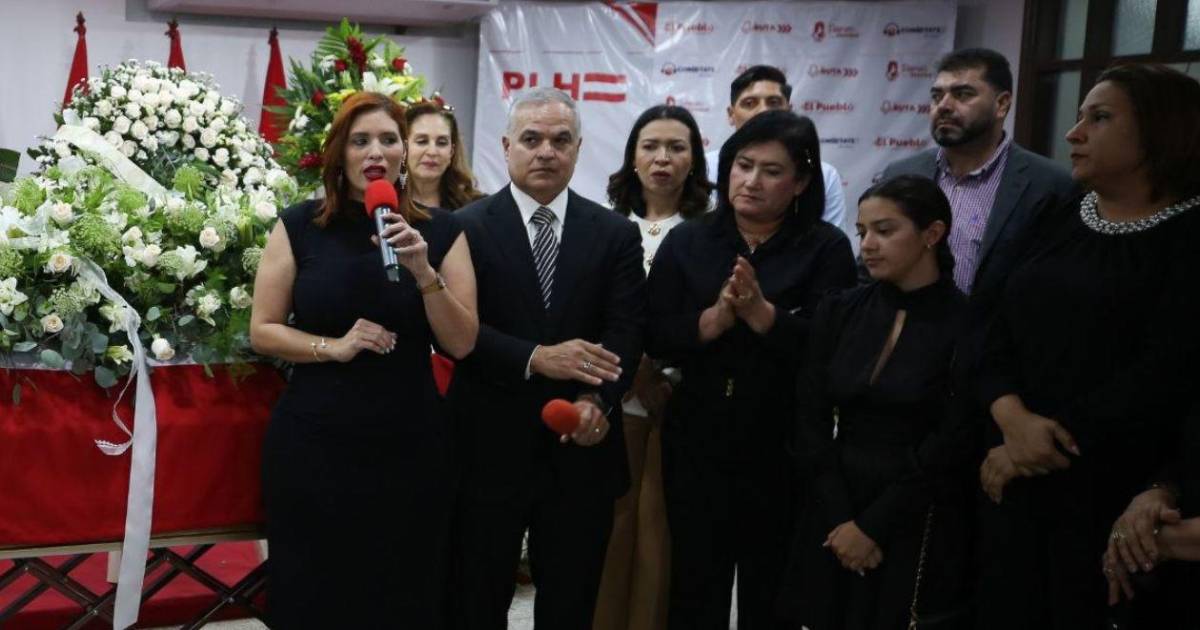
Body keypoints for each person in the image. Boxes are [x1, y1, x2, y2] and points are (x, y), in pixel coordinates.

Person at [974, 64, 1200, 629]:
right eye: (1078, 117)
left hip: (1118, 491)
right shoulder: (1058, 213)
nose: (1074, 134)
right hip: (1011, 474)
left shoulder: (1188, 239)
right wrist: (1010, 415)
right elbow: (990, 321)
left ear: (1160, 131)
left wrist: (1041, 442)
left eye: (1098, 118)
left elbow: (1166, 371)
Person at [251, 91, 478, 628]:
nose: (375, 151)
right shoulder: (299, 225)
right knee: (315, 596)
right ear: (340, 153)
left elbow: (462, 342)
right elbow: (262, 330)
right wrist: (333, 347)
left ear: (404, 152)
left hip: (410, 442)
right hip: (316, 442)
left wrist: (424, 273)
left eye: (388, 139)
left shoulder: (442, 231)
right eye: (360, 141)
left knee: (401, 593)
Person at [647, 110, 857, 629]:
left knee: (773, 591)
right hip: (697, 439)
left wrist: (766, 318)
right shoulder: (690, 240)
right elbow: (652, 331)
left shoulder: (826, 248)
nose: (752, 181)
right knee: (695, 587)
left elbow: (837, 348)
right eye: (743, 165)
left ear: (801, 182)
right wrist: (710, 322)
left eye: (771, 171)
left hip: (782, 443)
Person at [449, 86, 646, 629]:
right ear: (507, 146)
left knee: (570, 605)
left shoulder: (615, 233)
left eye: (561, 141)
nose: (546, 152)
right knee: (475, 602)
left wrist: (597, 402)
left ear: (578, 149)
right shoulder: (464, 228)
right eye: (531, 139)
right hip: (487, 444)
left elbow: (626, 331)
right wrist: (536, 357)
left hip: (580, 450)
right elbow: (457, 332)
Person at [781, 175, 972, 630]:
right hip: (834, 500)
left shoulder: (967, 323)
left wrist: (871, 526)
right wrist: (841, 517)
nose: (867, 245)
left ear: (932, 233)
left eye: (885, 231)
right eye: (862, 231)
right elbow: (809, 418)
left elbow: (954, 437)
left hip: (916, 510)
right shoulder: (840, 309)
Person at [594, 104, 711, 630]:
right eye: (651, 146)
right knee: (612, 527)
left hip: (679, 402)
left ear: (694, 160)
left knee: (659, 531)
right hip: (614, 395)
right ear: (633, 157)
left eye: (676, 147)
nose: (663, 158)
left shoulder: (708, 232)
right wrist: (633, 372)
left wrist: (662, 374)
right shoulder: (606, 226)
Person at [881, 48, 1075, 299]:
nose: (944, 106)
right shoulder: (900, 174)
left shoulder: (1049, 186)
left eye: (962, 94)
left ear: (1001, 104)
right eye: (937, 96)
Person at [705, 65, 850, 238]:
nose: (763, 111)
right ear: (731, 114)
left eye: (773, 103)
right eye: (750, 103)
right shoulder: (703, 166)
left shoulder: (825, 175)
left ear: (788, 110)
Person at [405, 98, 486, 210]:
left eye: (441, 143)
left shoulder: (477, 207)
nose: (432, 152)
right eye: (422, 141)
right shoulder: (387, 205)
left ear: (451, 152)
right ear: (403, 148)